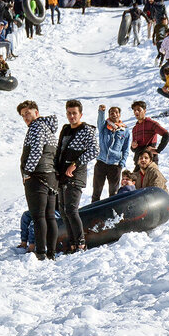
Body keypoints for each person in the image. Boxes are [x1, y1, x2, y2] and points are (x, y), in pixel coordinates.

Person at [54, 100, 99, 252]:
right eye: (69, 113)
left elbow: (94, 150)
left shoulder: (87, 130)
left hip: (75, 176)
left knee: (72, 210)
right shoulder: (65, 129)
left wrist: (75, 163)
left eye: (74, 113)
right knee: (64, 211)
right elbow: (59, 150)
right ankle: (72, 243)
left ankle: (80, 243)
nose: (71, 116)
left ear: (81, 114)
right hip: (61, 176)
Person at [18, 100, 58, 261]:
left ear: (37, 112)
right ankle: (51, 252)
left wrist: (27, 171)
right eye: (23, 115)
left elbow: (36, 150)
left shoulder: (36, 127)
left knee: (39, 216)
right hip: (50, 177)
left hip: (37, 177)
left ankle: (41, 253)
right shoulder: (48, 129)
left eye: (28, 113)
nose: (26, 118)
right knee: (49, 216)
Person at [92, 104, 130, 202]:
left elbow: (125, 149)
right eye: (111, 112)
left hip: (115, 165)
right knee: (97, 191)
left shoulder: (125, 130)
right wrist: (101, 111)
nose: (114, 114)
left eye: (116, 112)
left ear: (119, 115)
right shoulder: (104, 126)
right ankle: (94, 213)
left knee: (113, 193)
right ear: (109, 114)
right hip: (101, 162)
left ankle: (112, 214)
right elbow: (100, 121)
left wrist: (121, 164)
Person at [130, 100, 169, 167]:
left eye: (139, 110)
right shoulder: (134, 129)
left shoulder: (151, 123)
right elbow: (133, 149)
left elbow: (167, 135)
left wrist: (158, 150)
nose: (136, 112)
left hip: (150, 161)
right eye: (134, 110)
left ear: (145, 111)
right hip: (138, 162)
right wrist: (133, 147)